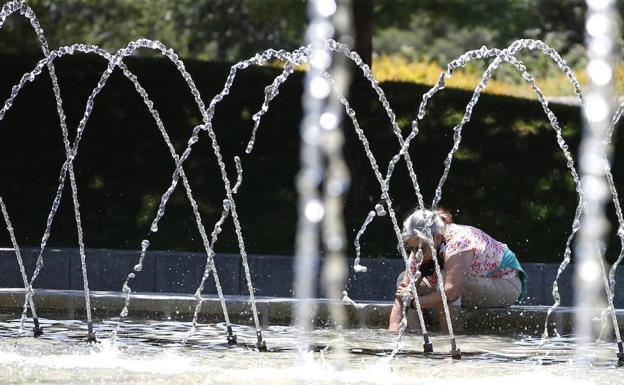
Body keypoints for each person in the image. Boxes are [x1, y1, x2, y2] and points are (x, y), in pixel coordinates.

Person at [388, 208, 527, 332]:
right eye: (411, 248)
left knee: (444, 279)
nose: (416, 254)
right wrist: (392, 336)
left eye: (421, 249)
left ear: (436, 238)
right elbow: (401, 297)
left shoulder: (458, 243)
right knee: (404, 281)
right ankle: (415, 336)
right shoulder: (421, 245)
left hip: (507, 285)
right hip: (471, 284)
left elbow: (451, 292)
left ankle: (452, 337)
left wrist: (414, 302)